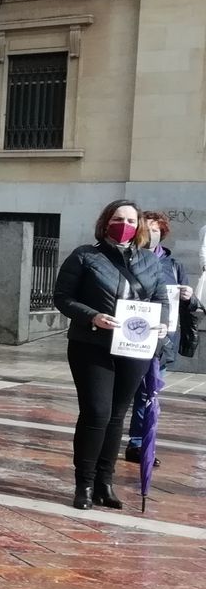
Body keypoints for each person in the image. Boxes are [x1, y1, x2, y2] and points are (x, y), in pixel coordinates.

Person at [54, 200, 171, 510]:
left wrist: (162, 326)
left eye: (131, 220)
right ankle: (85, 484)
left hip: (135, 346)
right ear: (106, 222)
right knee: (97, 412)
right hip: (91, 345)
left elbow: (161, 299)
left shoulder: (150, 260)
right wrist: (92, 315)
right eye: (119, 219)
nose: (125, 225)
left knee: (118, 415)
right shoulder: (84, 256)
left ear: (139, 227)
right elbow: (62, 297)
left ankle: (106, 482)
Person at [125, 211, 198, 464]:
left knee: (148, 394)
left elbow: (190, 307)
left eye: (157, 230)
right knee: (122, 394)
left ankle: (138, 444)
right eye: (147, 229)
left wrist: (190, 296)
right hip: (129, 338)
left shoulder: (173, 265)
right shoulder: (126, 260)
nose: (152, 234)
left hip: (161, 341)